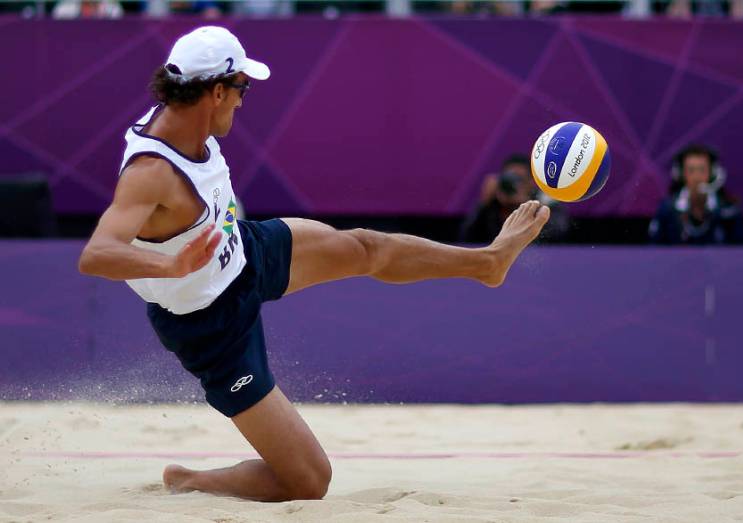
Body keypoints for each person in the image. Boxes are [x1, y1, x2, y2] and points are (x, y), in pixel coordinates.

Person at [77, 26, 550, 502]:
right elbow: (97, 254)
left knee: (365, 248)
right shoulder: (151, 173)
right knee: (308, 482)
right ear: (216, 91)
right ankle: (189, 480)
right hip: (208, 322)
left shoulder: (187, 117)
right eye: (242, 89)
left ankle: (487, 262)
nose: (244, 101)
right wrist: (174, 266)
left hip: (241, 251)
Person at [648, 144, 743, 245]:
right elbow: (654, 250)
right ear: (681, 174)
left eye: (702, 170)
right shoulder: (667, 209)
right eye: (691, 170)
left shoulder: (727, 210)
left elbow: (741, 251)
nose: (697, 177)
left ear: (712, 173)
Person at [460, 154, 569, 243]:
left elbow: (558, 234)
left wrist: (527, 208)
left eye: (519, 179)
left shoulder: (546, 202)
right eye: (509, 179)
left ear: (531, 183)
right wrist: (484, 203)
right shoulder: (492, 204)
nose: (513, 184)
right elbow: (467, 238)